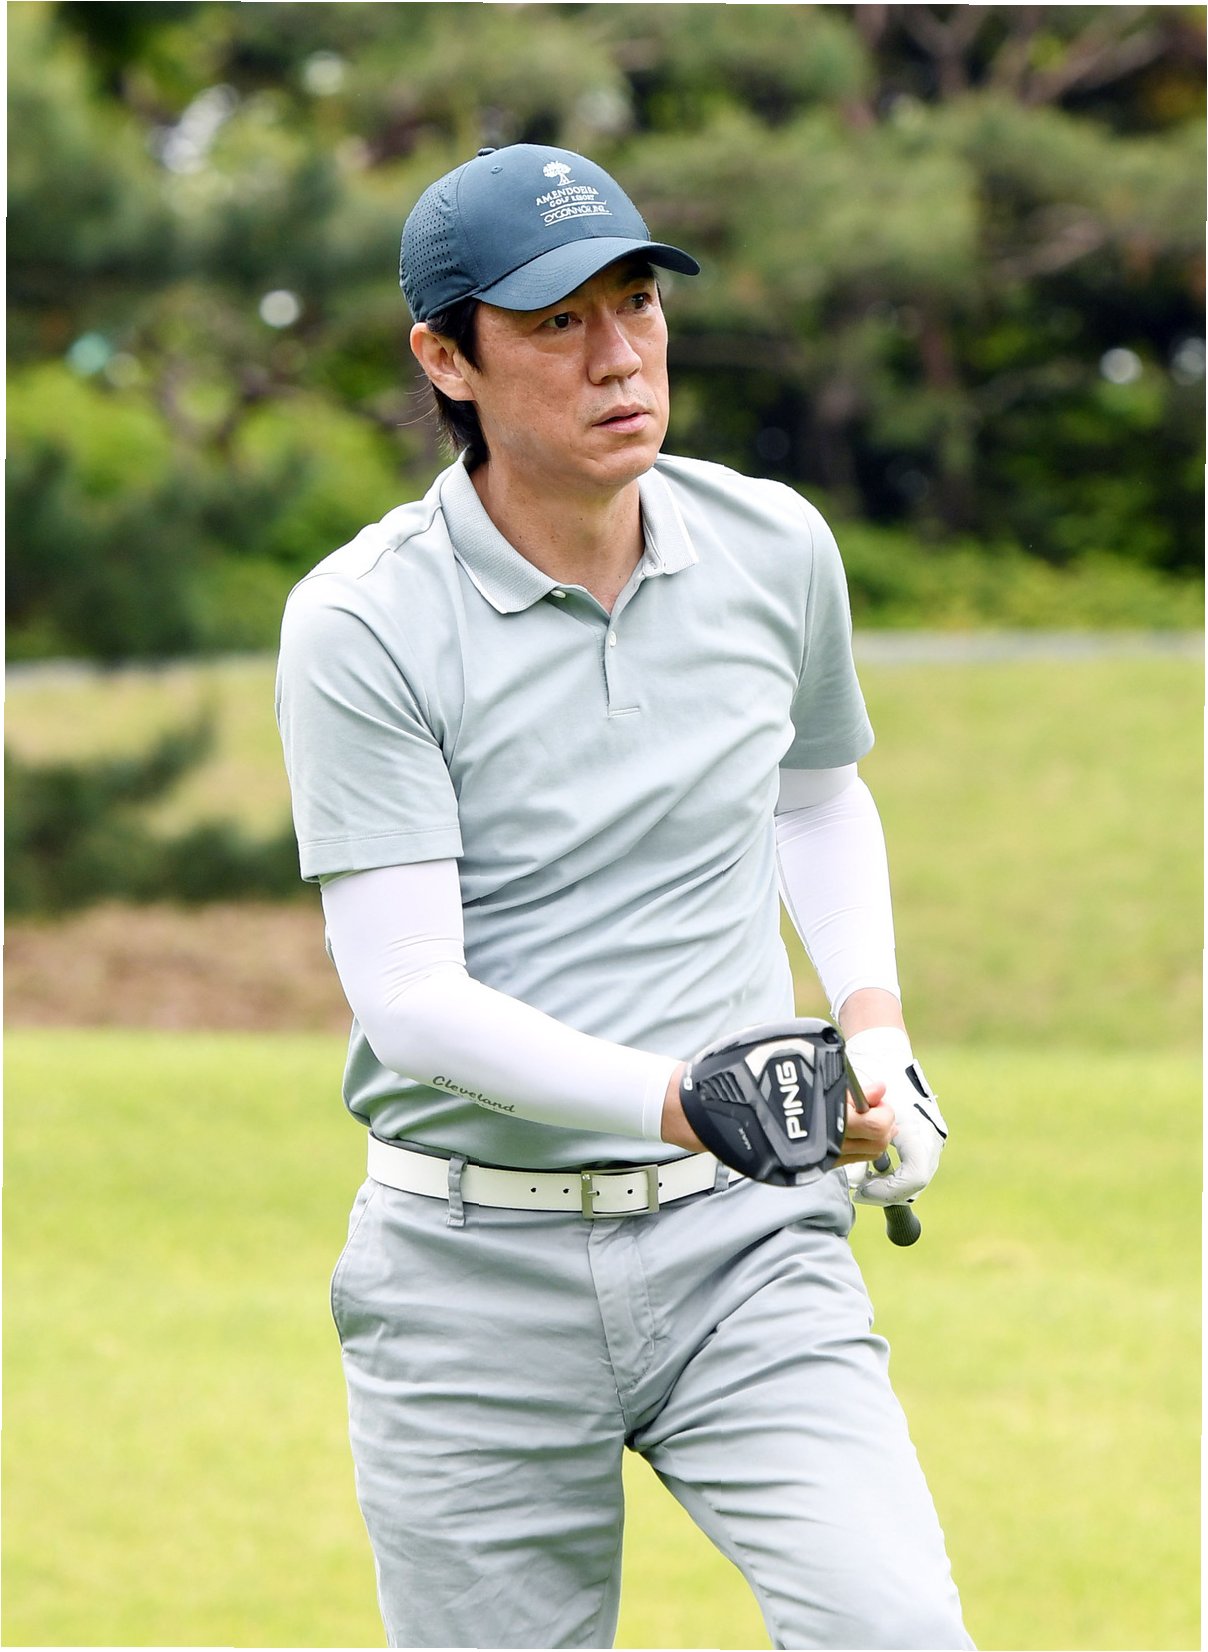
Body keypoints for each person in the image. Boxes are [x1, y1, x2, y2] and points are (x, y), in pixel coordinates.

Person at [275, 142, 972, 1652]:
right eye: (556, 323)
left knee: (898, 1630)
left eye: (638, 304)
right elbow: (410, 1000)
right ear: (446, 360)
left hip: (748, 1249)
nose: (618, 358)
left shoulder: (776, 545)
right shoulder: (361, 623)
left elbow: (814, 795)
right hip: (469, 1280)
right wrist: (689, 1099)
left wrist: (874, 1033)